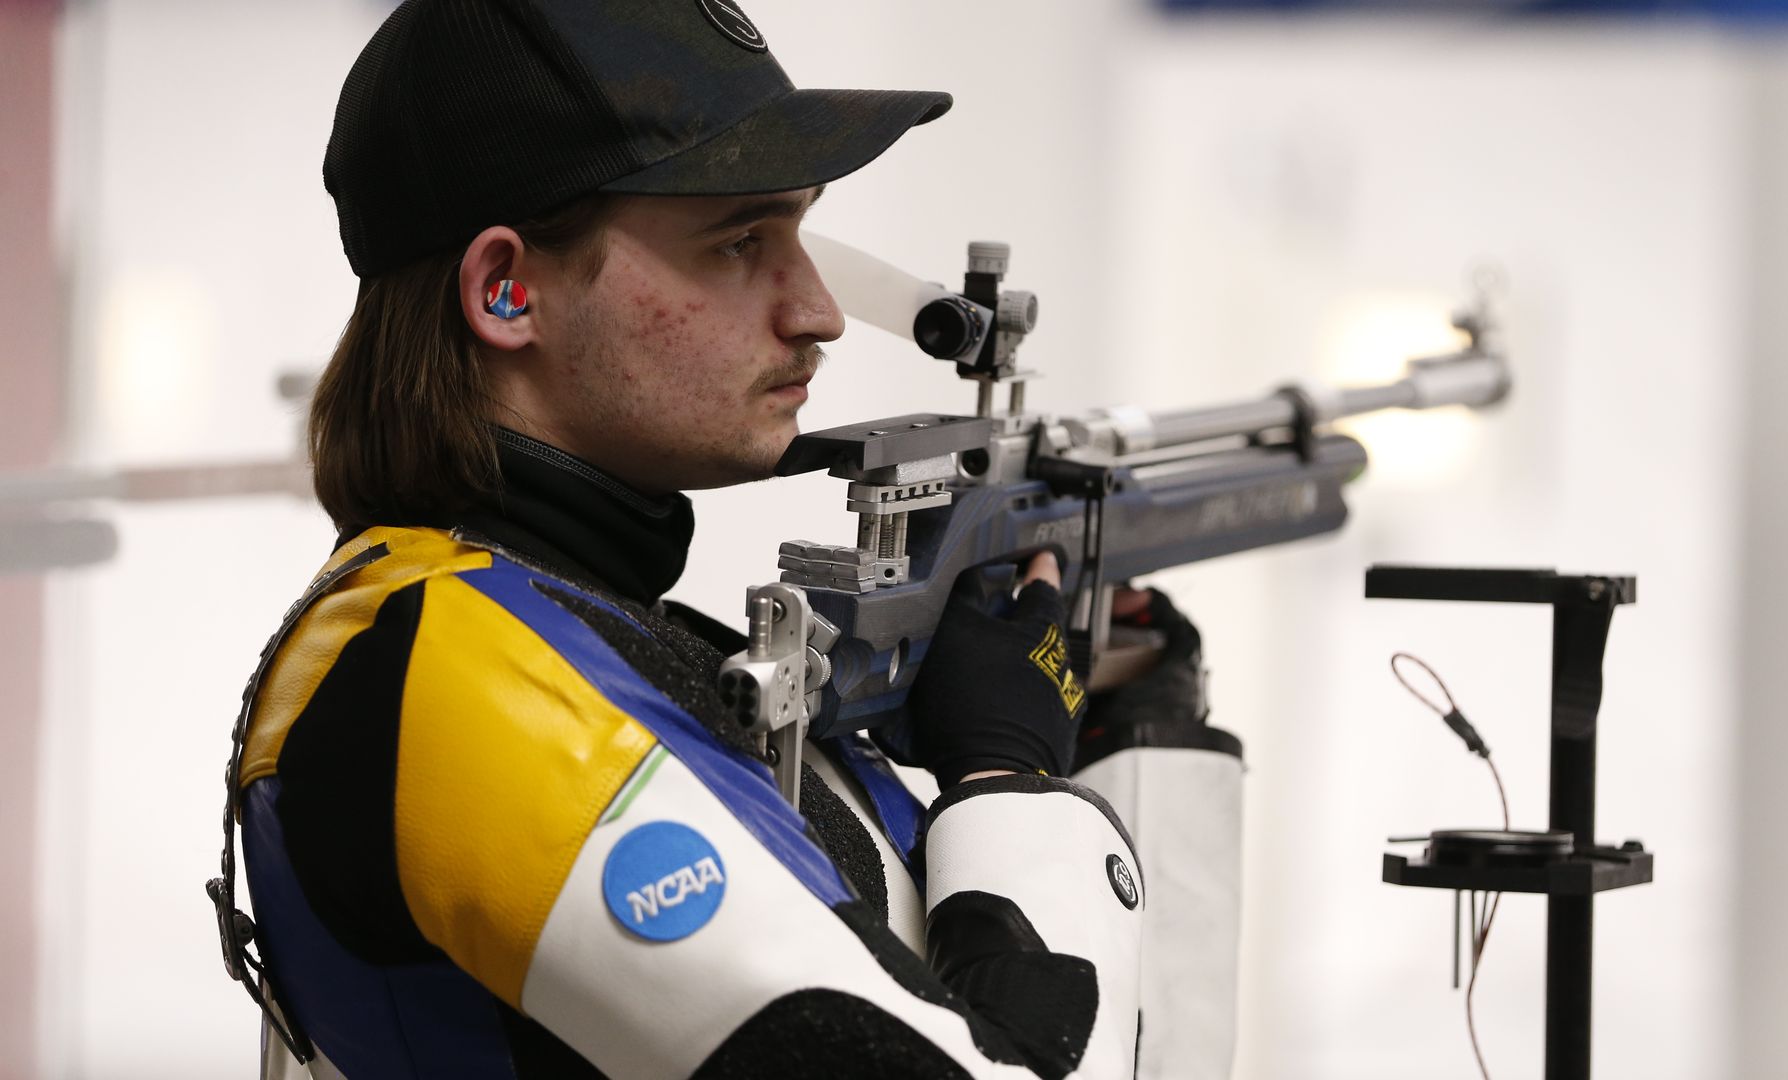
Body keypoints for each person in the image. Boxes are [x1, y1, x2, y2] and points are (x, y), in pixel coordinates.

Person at [213, 2, 1244, 1077]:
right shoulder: (450, 678)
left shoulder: (603, 642)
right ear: (506, 291)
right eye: (741, 241)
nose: (818, 311)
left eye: (801, 234)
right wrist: (1007, 783)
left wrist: (1121, 730)